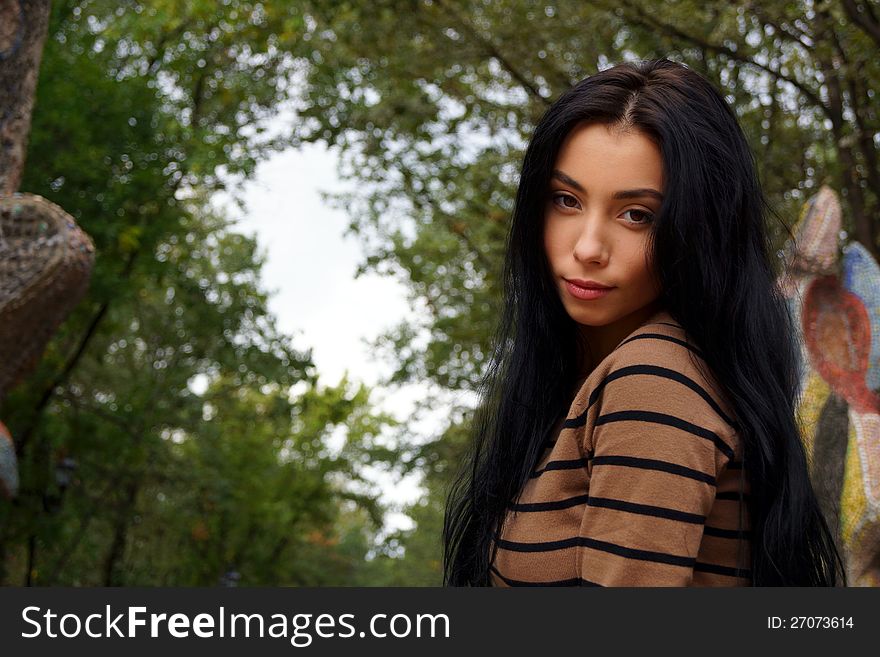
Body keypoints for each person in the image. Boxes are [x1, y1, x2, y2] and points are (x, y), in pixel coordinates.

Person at [442, 58, 846, 586]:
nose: (587, 248)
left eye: (636, 214)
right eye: (566, 200)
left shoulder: (653, 382)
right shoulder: (600, 380)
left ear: (698, 229)